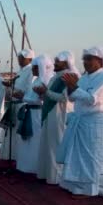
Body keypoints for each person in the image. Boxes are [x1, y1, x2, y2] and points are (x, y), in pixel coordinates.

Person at [56, 46, 103, 198]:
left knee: (90, 155)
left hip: (94, 121)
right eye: (85, 59)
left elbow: (93, 99)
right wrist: (71, 87)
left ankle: (88, 190)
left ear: (100, 61)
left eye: (90, 59)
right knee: (75, 153)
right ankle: (73, 184)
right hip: (79, 119)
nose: (86, 62)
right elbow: (72, 98)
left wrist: (74, 86)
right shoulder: (83, 78)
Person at [34, 51, 79, 184]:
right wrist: (42, 94)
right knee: (46, 144)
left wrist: (46, 92)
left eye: (57, 61)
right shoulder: (56, 77)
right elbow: (50, 94)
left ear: (66, 62)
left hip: (59, 115)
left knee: (55, 145)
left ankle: (55, 178)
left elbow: (64, 98)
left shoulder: (68, 77)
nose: (54, 63)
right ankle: (46, 174)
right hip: (49, 113)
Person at [15, 54, 53, 174]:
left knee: (35, 140)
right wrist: (24, 96)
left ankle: (34, 167)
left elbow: (41, 100)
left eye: (35, 68)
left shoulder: (46, 80)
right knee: (28, 140)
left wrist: (23, 97)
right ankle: (25, 166)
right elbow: (31, 96)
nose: (33, 70)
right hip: (30, 112)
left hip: (37, 114)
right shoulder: (36, 80)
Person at [0, 49, 36, 161]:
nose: (19, 60)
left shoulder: (31, 71)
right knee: (12, 132)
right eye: (19, 57)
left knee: (18, 133)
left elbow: (30, 89)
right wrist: (9, 86)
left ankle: (19, 157)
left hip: (22, 104)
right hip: (15, 103)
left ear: (30, 59)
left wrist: (19, 93)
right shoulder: (20, 71)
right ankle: (12, 156)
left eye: (22, 58)